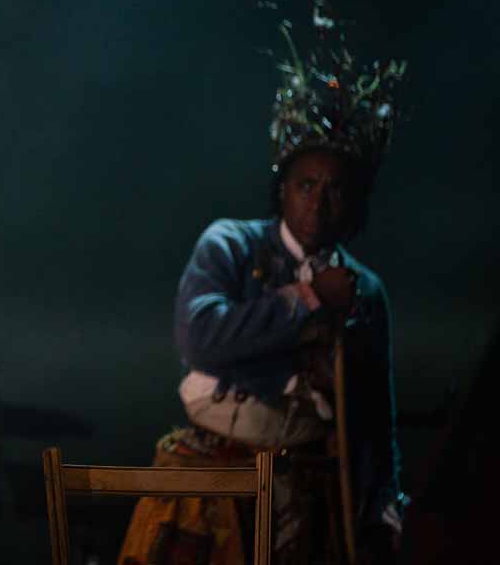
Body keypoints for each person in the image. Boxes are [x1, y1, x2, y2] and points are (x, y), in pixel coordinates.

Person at [119, 47, 407, 565]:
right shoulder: (230, 243)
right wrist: (309, 300)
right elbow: (199, 337)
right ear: (283, 191)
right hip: (216, 491)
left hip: (316, 499)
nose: (318, 203)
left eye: (335, 191)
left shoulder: (367, 289)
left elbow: (375, 418)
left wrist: (384, 510)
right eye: (305, 186)